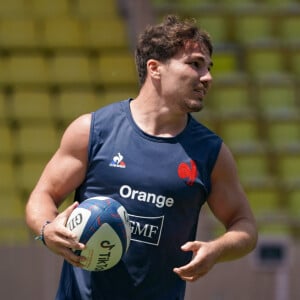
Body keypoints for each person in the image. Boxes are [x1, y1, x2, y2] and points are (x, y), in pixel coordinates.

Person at [26, 14, 257, 300]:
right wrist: (48, 229)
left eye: (208, 67)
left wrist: (216, 250)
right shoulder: (93, 131)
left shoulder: (211, 153)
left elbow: (245, 225)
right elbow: (43, 195)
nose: (207, 77)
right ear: (155, 68)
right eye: (195, 64)